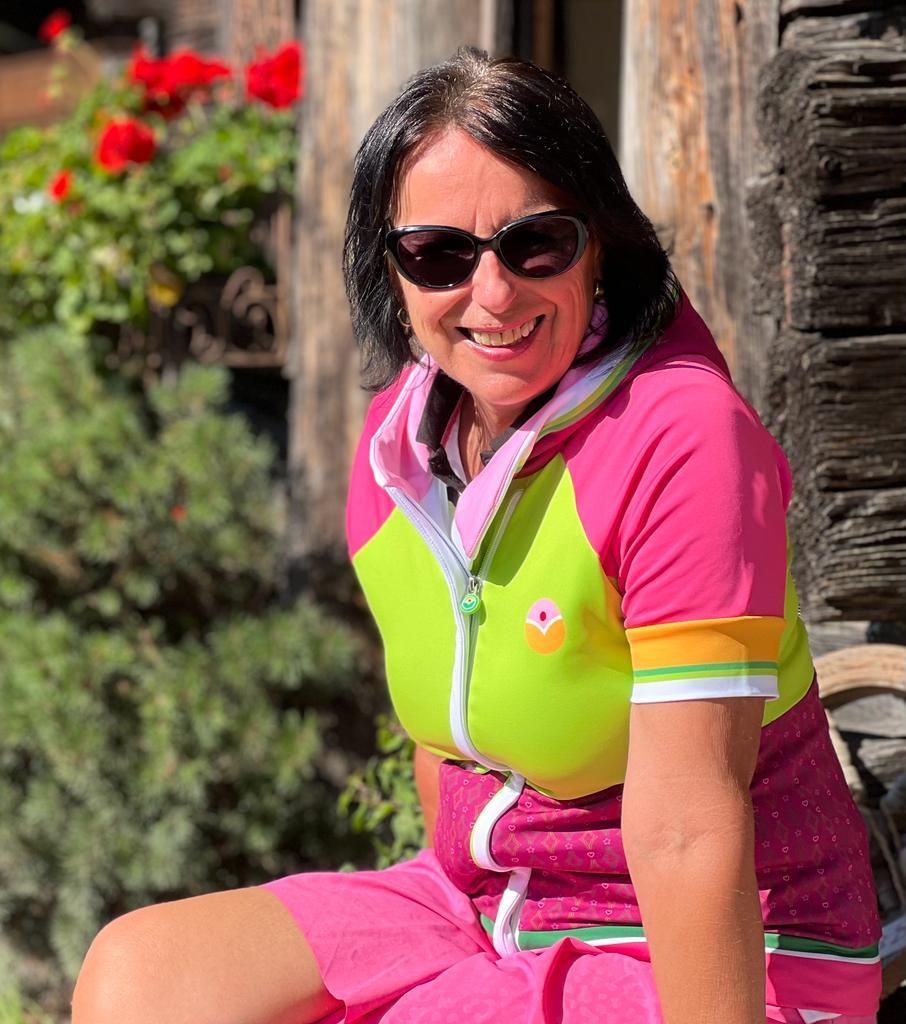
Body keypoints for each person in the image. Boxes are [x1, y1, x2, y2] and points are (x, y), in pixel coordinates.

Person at [72, 48, 881, 1024]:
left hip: (733, 950)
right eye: (440, 254)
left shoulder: (683, 438)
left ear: (599, 245)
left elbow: (687, 831)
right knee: (140, 977)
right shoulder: (398, 453)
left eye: (535, 243)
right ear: (392, 271)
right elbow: (443, 751)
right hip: (490, 907)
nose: (492, 294)